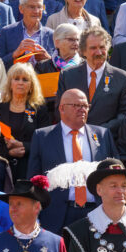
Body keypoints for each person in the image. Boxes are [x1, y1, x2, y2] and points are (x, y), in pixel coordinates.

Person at [27, 89, 117, 233]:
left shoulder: (102, 135)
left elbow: (115, 174)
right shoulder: (43, 136)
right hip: (57, 216)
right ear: (61, 108)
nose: (82, 110)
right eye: (76, 105)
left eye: (85, 106)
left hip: (97, 213)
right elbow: (34, 180)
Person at [55, 26, 126, 131]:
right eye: (93, 48)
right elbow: (60, 109)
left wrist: (99, 131)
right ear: (83, 51)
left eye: (102, 47)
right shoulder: (67, 75)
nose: (99, 52)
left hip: (107, 140)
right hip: (74, 137)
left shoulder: (124, 79)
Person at [0, 62, 51, 181]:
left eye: (25, 80)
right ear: (10, 84)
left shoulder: (40, 110)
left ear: (31, 85)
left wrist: (24, 146)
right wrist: (8, 152)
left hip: (29, 171)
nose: (20, 82)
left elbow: (46, 142)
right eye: (16, 79)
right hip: (1, 171)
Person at [0, 0, 56, 68]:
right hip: (16, 78)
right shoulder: (7, 32)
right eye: (32, 7)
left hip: (43, 79)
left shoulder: (51, 34)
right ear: (21, 9)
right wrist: (15, 54)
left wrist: (48, 58)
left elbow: (61, 66)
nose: (36, 11)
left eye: (39, 7)